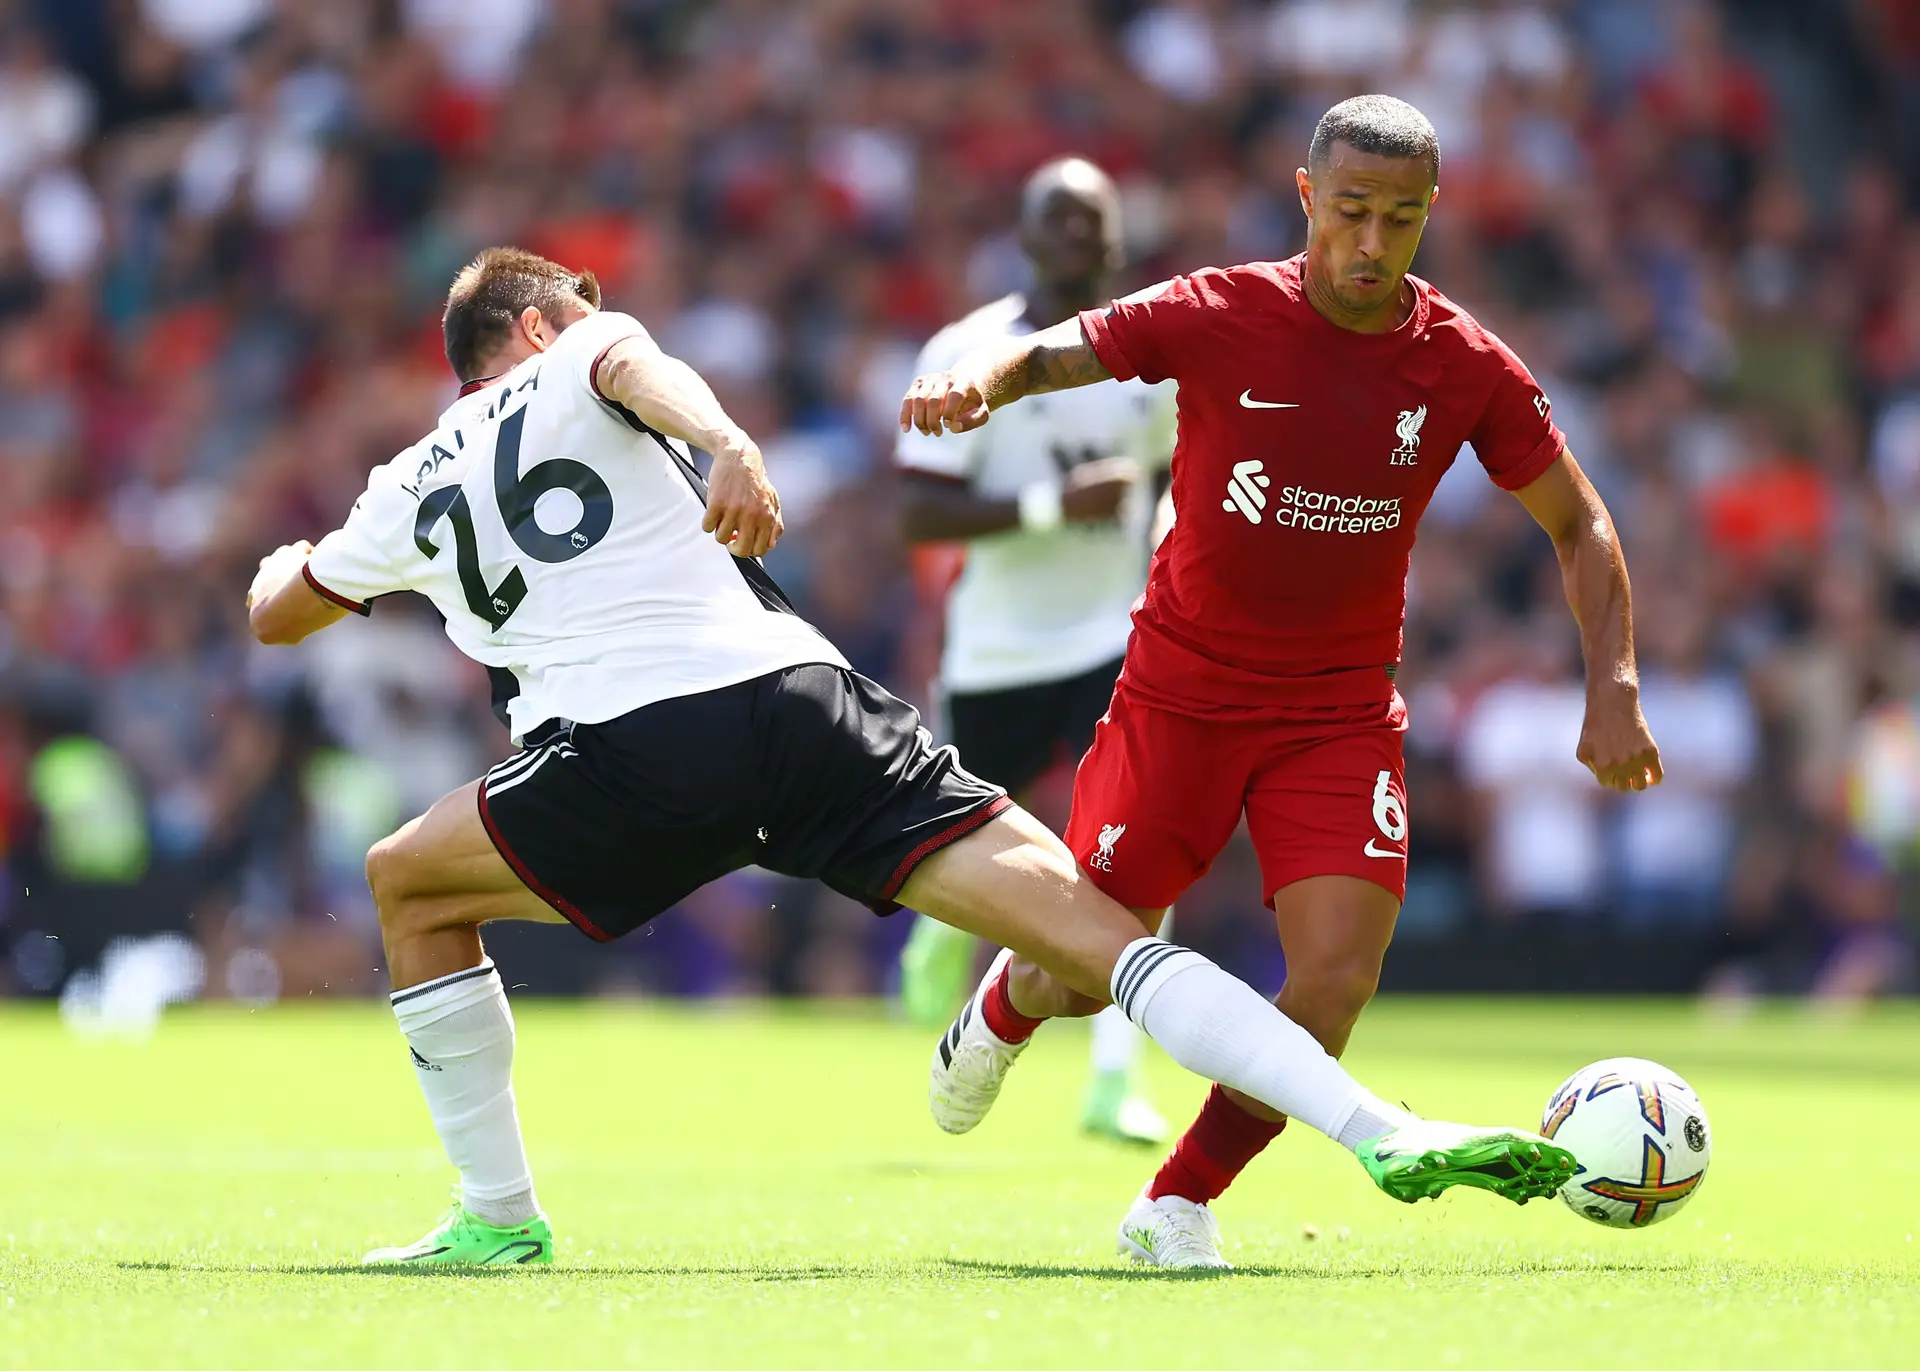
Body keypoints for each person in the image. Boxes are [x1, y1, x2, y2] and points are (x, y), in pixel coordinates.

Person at [245, 247, 1576, 1267]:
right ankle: (1377, 1126)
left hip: (627, 757)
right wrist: (729, 443)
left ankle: (499, 1216)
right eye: (575, 306)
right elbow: (638, 371)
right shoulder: (586, 340)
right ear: (535, 323)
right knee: (1096, 936)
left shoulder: (405, 482)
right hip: (800, 702)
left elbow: (282, 613)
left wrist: (278, 567)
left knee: (409, 879)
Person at [900, 95, 1662, 1270]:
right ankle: (1002, 1008)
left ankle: (1177, 1202)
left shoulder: (1460, 363)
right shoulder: (1223, 310)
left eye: (1399, 221)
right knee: (1081, 977)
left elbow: (1580, 521)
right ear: (1308, 197)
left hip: (1338, 715)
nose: (1371, 242)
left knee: (1338, 978)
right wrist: (985, 388)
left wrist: (1609, 682)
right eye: (1350, 211)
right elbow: (1077, 344)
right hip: (1179, 696)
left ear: (1428, 218)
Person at [895, 157, 1173, 1145]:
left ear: (1116, 235)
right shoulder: (969, 350)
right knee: (970, 843)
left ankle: (1114, 1074)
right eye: (1055, 215)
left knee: (1139, 843)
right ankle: (943, 928)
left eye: (1090, 215)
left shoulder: (1152, 353)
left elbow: (1187, 467)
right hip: (1000, 651)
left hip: (1116, 633)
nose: (1074, 232)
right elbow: (915, 508)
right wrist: (1059, 505)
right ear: (1022, 234)